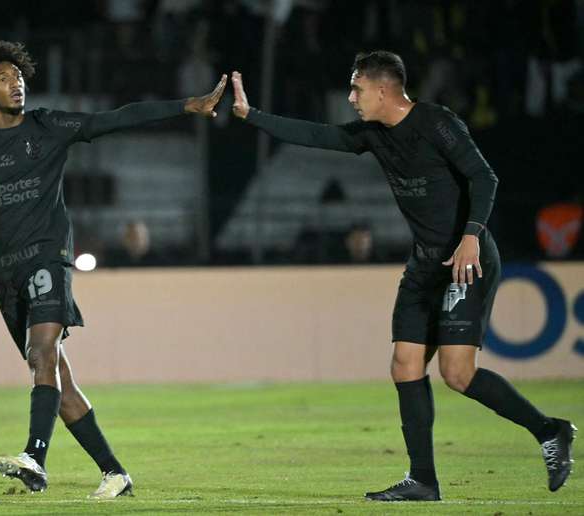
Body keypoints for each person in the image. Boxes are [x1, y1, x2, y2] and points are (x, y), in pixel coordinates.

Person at [0, 39, 226, 498]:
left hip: (48, 257)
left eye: (20, 77)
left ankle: (34, 457)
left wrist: (185, 105)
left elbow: (114, 119)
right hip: (4, 274)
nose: (17, 85)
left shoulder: (48, 126)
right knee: (55, 378)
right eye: (4, 79)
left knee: (44, 350)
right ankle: (115, 474)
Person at [231, 51, 576, 501]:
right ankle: (423, 480)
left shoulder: (436, 123)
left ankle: (549, 429)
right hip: (424, 264)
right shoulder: (374, 134)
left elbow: (484, 178)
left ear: (381, 89)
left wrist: (472, 235)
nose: (351, 97)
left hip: (464, 260)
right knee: (404, 365)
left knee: (457, 373)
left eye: (356, 88)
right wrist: (250, 115)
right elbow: (319, 135)